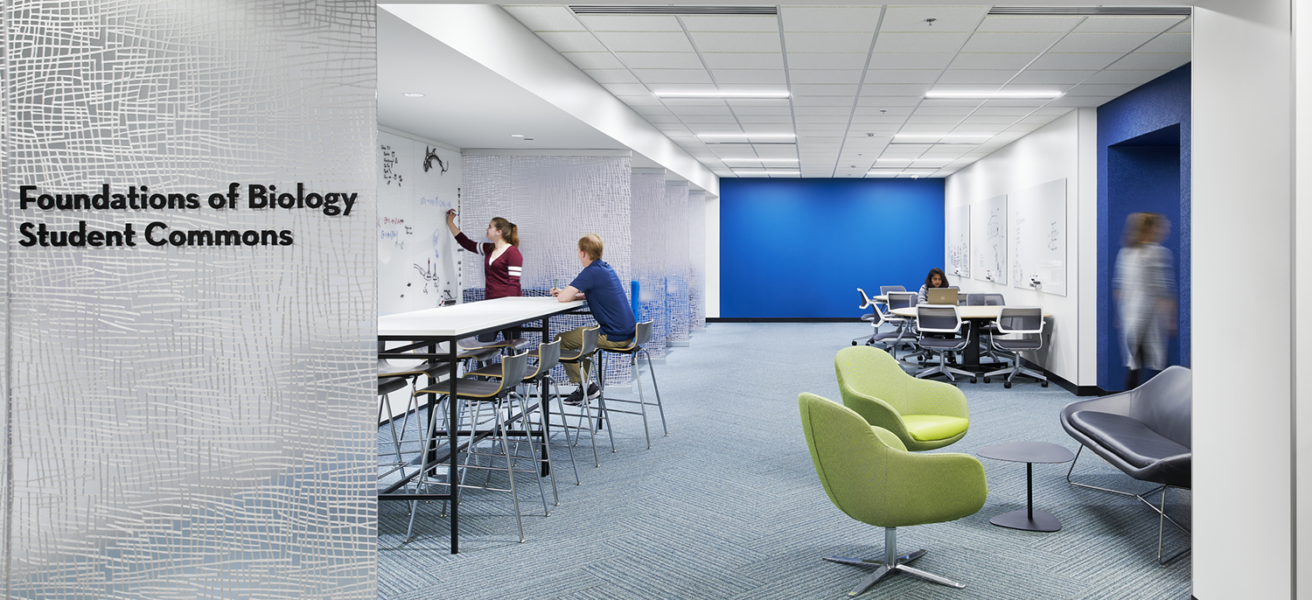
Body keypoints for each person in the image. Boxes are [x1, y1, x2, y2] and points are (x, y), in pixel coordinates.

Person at [552, 234, 637, 405]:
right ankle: (585, 386)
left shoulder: (590, 272)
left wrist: (564, 293)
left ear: (583, 253)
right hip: (627, 332)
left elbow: (562, 298)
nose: (578, 255)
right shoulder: (605, 268)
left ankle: (586, 386)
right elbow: (592, 293)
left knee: (560, 341)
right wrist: (571, 294)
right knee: (586, 339)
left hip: (614, 335)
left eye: (578, 251)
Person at [1114, 212, 1176, 390]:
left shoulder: (1126, 252)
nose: (1164, 230)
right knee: (1150, 361)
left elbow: (1119, 287)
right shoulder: (1157, 253)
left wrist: (1119, 314)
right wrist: (1170, 320)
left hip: (1131, 314)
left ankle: (1132, 398)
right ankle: (1151, 400)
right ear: (1151, 228)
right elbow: (1163, 290)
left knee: (1136, 362)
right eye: (1161, 226)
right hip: (1148, 316)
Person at [447, 209, 522, 341]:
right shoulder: (489, 249)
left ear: (498, 232)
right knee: (483, 344)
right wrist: (450, 222)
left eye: (490, 226)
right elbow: (467, 243)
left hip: (509, 309)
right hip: (490, 307)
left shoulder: (513, 252)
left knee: (513, 346)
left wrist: (509, 308)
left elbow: (514, 283)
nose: (486, 229)